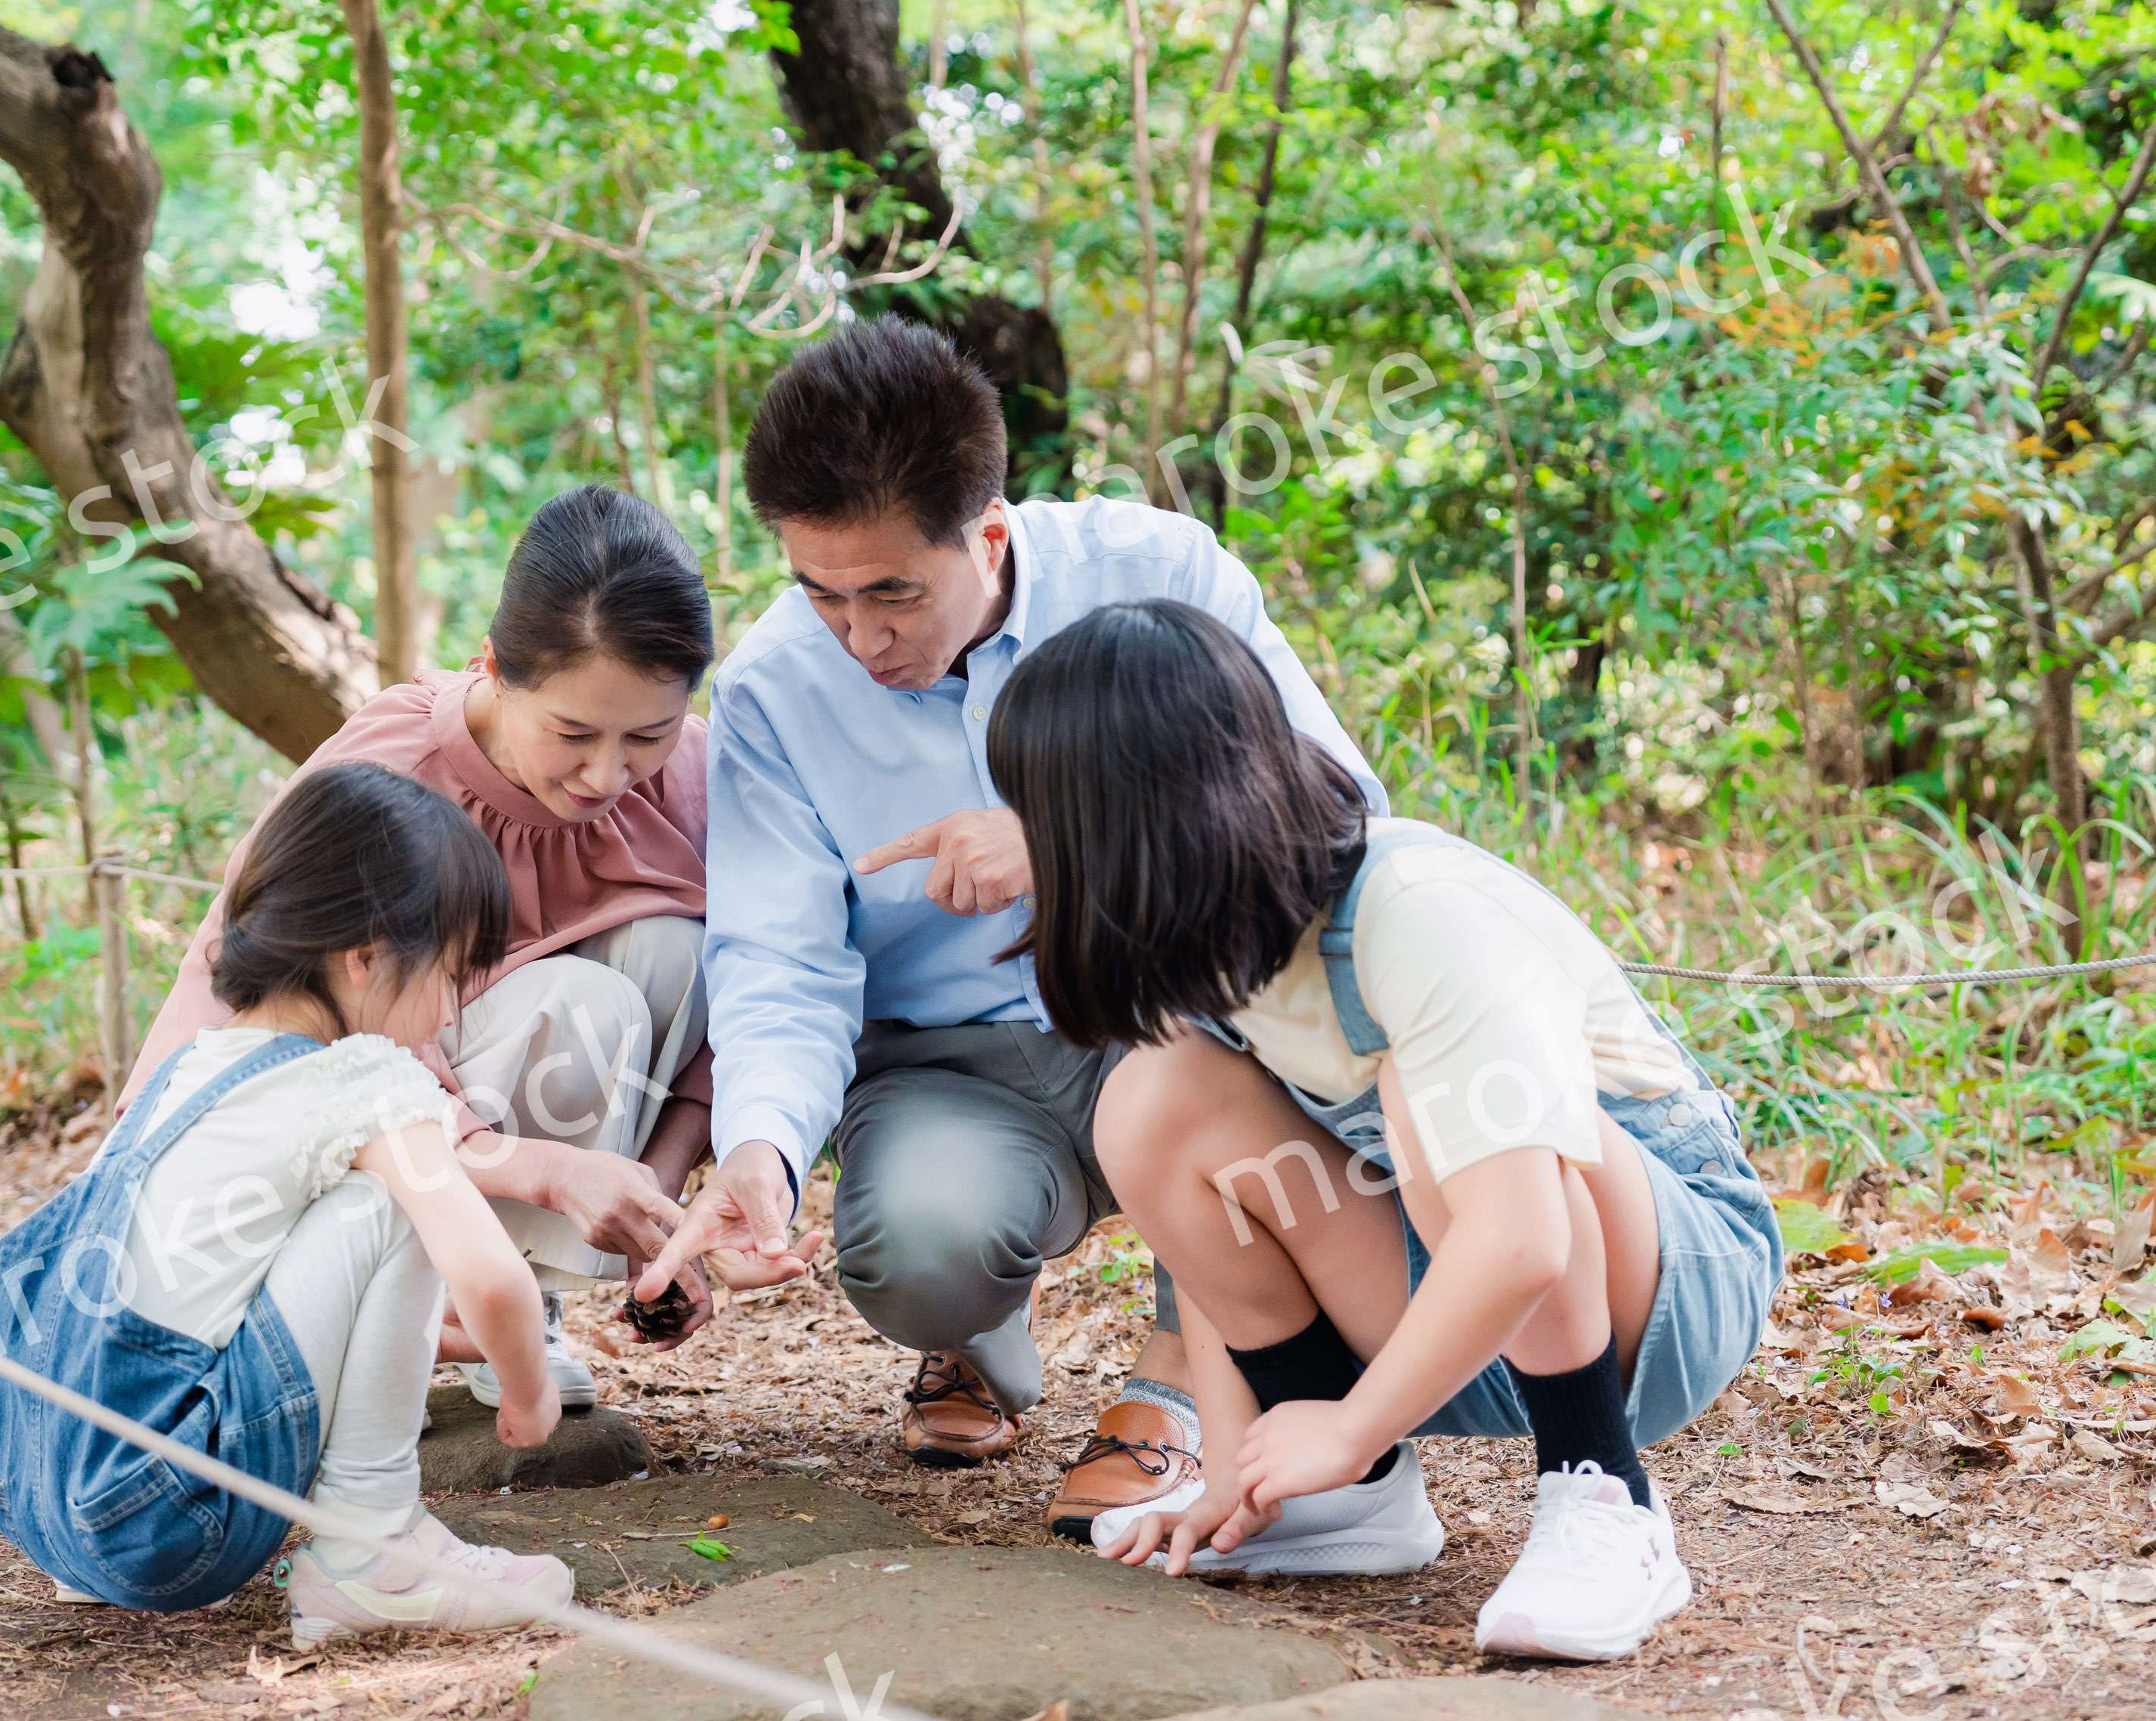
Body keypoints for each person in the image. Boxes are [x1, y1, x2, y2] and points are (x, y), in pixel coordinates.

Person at [638, 317, 1383, 1542]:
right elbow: (779, 954)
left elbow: (1342, 816)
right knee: (917, 1253)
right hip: (957, 1061)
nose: (859, 636)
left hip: (1191, 1030)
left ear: (987, 535)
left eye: (893, 592)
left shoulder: (1163, 574)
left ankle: (1177, 1375)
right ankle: (979, 1329)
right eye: (821, 591)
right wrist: (760, 1148)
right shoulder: (775, 682)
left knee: (1259, 1055)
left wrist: (1065, 842)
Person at [986, 600, 1783, 1662]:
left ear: (1126, 827)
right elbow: (1210, 1251)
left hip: (1667, 1289)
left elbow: (1524, 1235)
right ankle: (1350, 1503)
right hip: (1463, 1305)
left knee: (1431, 1095)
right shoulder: (1221, 956)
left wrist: (1353, 1420)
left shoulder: (1416, 909)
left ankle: (1603, 1494)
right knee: (1151, 1098)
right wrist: (1238, 1469)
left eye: (1041, 820)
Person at [132, 484, 737, 1412]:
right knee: (585, 1005)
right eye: (573, 732)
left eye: (646, 735)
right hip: (300, 1132)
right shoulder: (390, 779)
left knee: (674, 945)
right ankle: (446, 1307)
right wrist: (546, 1170)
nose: (609, 774)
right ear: (495, 668)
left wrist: (657, 1216)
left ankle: (515, 1304)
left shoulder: (684, 775)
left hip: (469, 1112)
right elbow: (336, 1068)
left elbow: (731, 1004)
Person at [0, 763, 579, 1645]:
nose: (450, 1012)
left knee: (365, 1192)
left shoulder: (191, 1068)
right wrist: (528, 1395)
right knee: (396, 1196)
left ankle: (96, 1569)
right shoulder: (370, 1084)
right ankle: (376, 1556)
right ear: (365, 959)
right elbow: (491, 1280)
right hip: (166, 1524)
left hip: (43, 1493)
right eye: (449, 975)